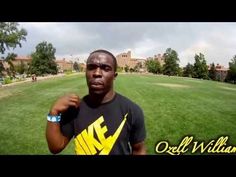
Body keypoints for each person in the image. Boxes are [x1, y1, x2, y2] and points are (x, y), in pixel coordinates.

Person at [46, 49, 146, 155]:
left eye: (105, 68)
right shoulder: (75, 109)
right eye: (91, 67)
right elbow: (55, 147)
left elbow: (139, 149)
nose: (97, 73)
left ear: (114, 76)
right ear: (85, 73)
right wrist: (54, 112)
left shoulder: (132, 110)